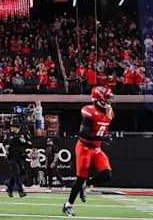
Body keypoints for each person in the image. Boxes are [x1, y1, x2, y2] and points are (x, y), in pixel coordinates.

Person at [63, 86, 115, 217]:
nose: (110, 100)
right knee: (80, 178)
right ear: (100, 99)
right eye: (107, 97)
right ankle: (68, 205)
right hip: (84, 146)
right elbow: (83, 133)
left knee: (107, 174)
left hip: (96, 147)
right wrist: (102, 138)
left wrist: (102, 138)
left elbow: (102, 128)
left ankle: (87, 184)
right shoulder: (89, 111)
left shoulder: (109, 113)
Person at [3, 119, 31, 197]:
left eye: (13, 126)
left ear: (17, 127)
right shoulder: (9, 135)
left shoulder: (23, 134)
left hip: (21, 156)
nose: (11, 128)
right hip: (12, 157)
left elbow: (30, 143)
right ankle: (20, 191)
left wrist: (24, 141)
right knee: (17, 173)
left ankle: (9, 186)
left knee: (18, 173)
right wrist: (6, 146)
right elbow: (4, 142)